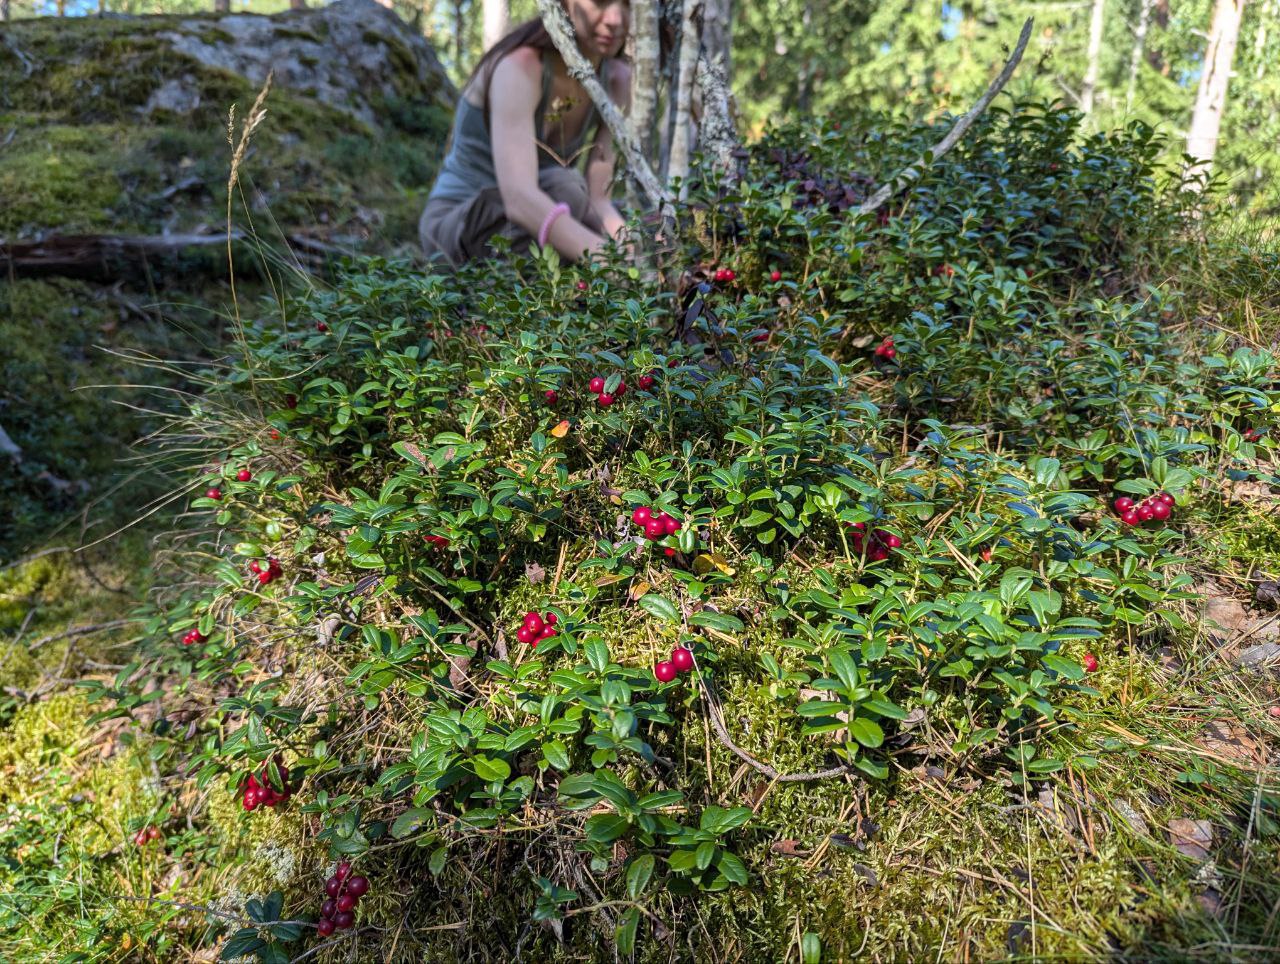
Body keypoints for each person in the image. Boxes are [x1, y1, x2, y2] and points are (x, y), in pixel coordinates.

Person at [420, 0, 633, 269]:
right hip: (456, 224)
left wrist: (631, 251)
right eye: (600, 1)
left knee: (644, 221)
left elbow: (600, 200)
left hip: (542, 214)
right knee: (566, 189)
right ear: (565, 4)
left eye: (628, 3)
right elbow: (519, 198)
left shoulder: (618, 81)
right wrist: (607, 260)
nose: (615, 18)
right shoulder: (520, 66)